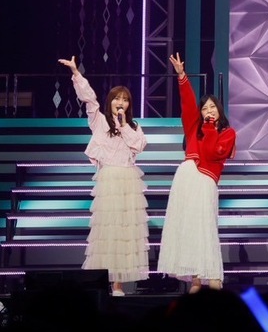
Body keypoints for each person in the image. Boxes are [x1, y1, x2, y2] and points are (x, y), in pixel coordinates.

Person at [58, 56, 149, 296]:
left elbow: (138, 145)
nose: (121, 103)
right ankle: (104, 283)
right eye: (117, 98)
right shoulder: (98, 120)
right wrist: (76, 73)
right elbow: (88, 98)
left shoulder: (133, 127)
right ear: (110, 101)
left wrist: (123, 125)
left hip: (128, 181)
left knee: (125, 232)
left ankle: (119, 284)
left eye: (125, 100)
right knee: (108, 231)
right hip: (109, 180)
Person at [157, 54, 237, 292]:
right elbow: (187, 103)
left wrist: (210, 128)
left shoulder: (228, 133)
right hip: (187, 177)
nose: (208, 110)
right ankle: (195, 278)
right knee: (188, 227)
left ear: (219, 110)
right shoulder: (194, 127)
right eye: (204, 108)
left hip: (206, 180)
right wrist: (182, 76)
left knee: (205, 226)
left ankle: (213, 275)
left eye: (212, 107)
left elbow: (212, 153)